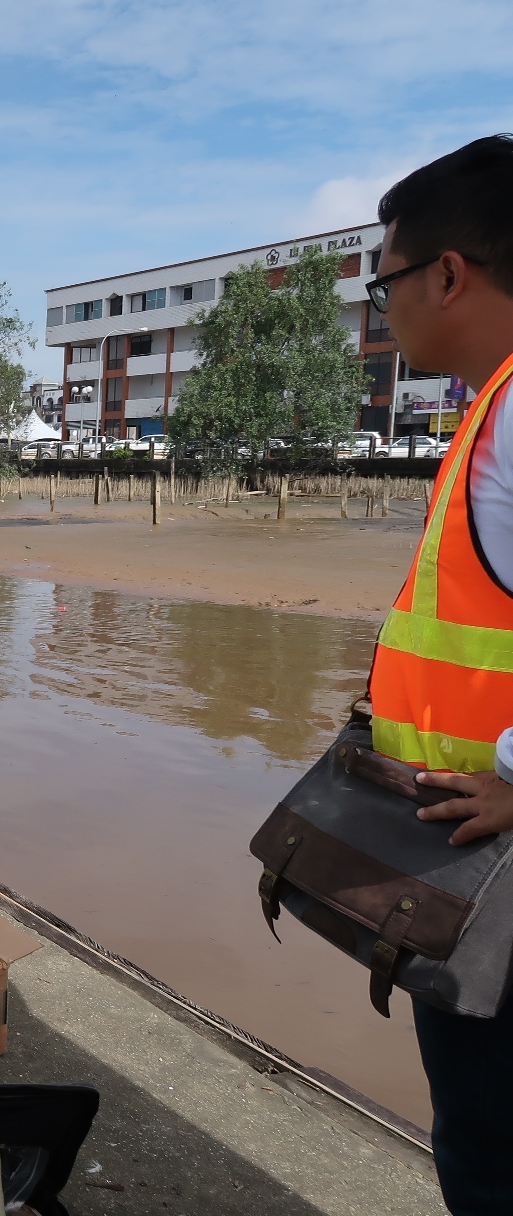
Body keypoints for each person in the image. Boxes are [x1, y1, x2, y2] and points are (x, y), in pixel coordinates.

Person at [360, 136, 513, 1216]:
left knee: (492, 1153)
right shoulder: (489, 408)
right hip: (468, 864)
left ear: (448, 273)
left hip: (499, 877)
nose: (385, 310)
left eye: (388, 282)